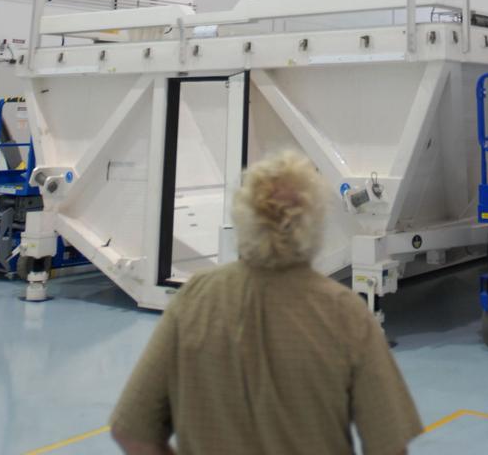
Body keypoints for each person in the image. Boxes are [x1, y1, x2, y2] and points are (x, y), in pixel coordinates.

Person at [110, 150, 422, 455]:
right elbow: (388, 445)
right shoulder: (345, 313)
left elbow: (132, 432)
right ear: (315, 223)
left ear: (242, 217)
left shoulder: (192, 301)